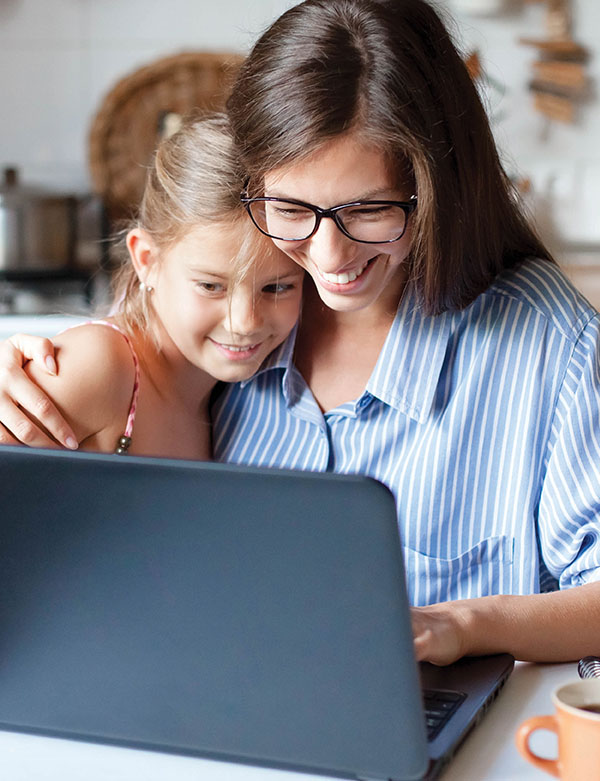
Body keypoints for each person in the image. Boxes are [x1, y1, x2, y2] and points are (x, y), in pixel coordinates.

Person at [1, 0, 599, 665]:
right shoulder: (252, 318)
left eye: (369, 210)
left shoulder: (550, 344)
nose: (329, 256)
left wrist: (464, 623)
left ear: (435, 189)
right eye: (291, 209)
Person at [0, 114, 303, 459]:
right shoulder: (97, 367)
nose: (245, 322)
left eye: (277, 288)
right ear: (146, 261)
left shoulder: (221, 393)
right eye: (210, 286)